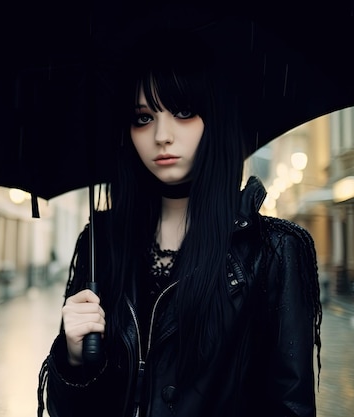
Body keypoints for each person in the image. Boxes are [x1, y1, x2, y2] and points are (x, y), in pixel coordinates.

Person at [36, 36, 322, 417]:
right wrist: (73, 358)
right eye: (143, 118)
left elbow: (290, 407)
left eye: (184, 111)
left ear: (215, 120)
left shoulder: (273, 252)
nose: (161, 136)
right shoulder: (100, 246)